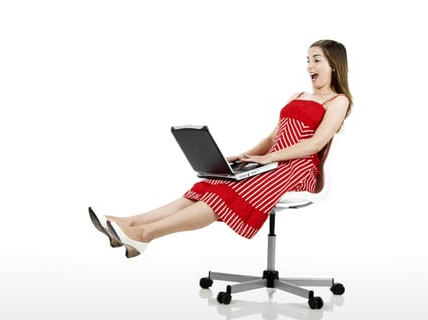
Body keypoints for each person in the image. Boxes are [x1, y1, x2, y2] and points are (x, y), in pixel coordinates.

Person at [89, 39, 353, 258]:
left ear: (334, 65)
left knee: (224, 194)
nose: (309, 66)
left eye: (316, 60)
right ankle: (131, 223)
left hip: (297, 170)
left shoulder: (338, 101)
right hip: (271, 163)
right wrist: (246, 156)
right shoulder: (297, 96)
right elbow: (273, 136)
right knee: (212, 183)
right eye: (307, 60)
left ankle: (145, 235)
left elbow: (315, 144)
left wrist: (267, 159)